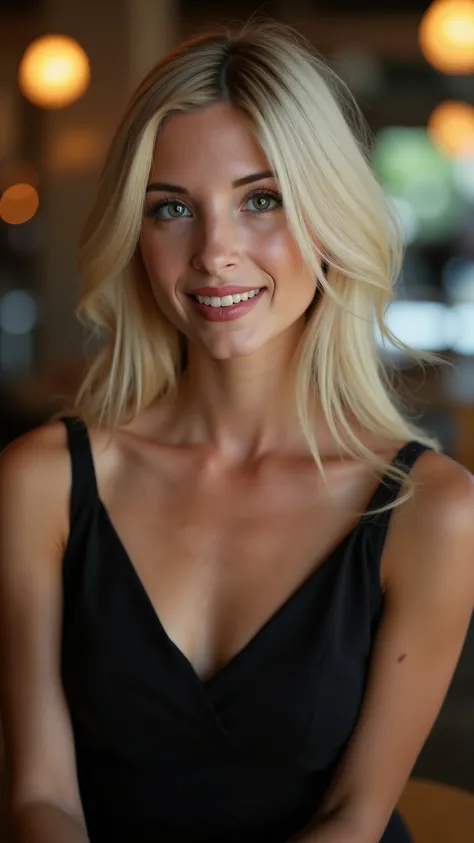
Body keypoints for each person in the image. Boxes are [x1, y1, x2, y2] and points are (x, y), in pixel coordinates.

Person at [1, 19, 473, 843]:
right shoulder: (40, 482)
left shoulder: (434, 512)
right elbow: (41, 794)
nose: (216, 252)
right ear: (135, 234)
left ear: (328, 219)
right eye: (172, 209)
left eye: (263, 200)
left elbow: (353, 818)